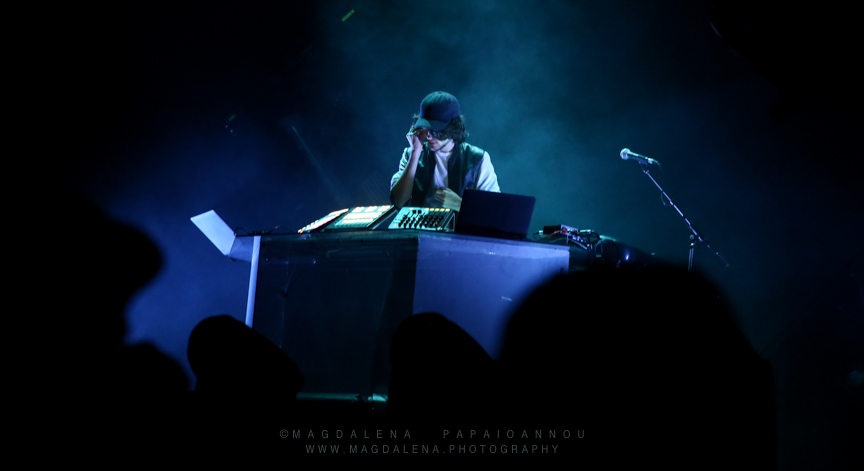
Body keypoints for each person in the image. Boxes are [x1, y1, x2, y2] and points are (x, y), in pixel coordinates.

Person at [390, 91, 499, 211]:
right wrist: (415, 153)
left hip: (460, 224)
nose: (428, 136)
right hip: (418, 224)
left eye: (435, 129)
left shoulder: (477, 158)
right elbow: (398, 202)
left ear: (452, 128)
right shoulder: (411, 154)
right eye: (425, 128)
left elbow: (493, 210)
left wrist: (460, 205)